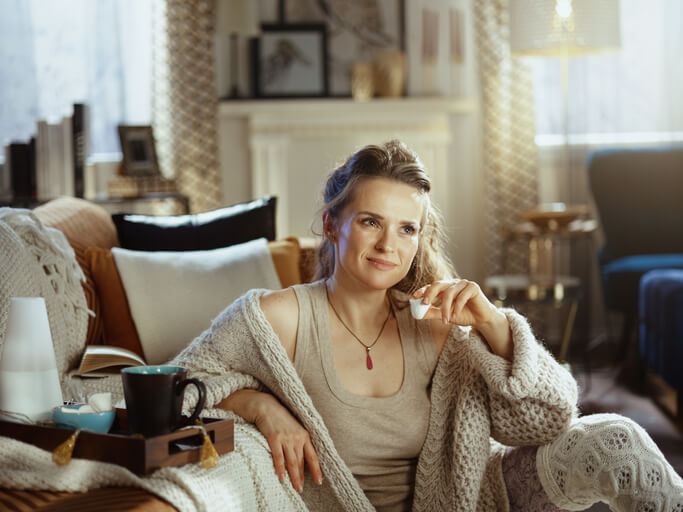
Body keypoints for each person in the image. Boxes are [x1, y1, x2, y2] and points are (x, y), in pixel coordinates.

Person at [173, 140, 682, 512]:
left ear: (419, 239)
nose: (387, 245)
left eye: (407, 228)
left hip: (467, 502)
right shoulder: (277, 317)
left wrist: (492, 323)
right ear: (332, 225)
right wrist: (261, 407)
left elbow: (549, 420)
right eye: (370, 221)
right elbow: (168, 388)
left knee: (616, 438)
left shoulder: (438, 325)